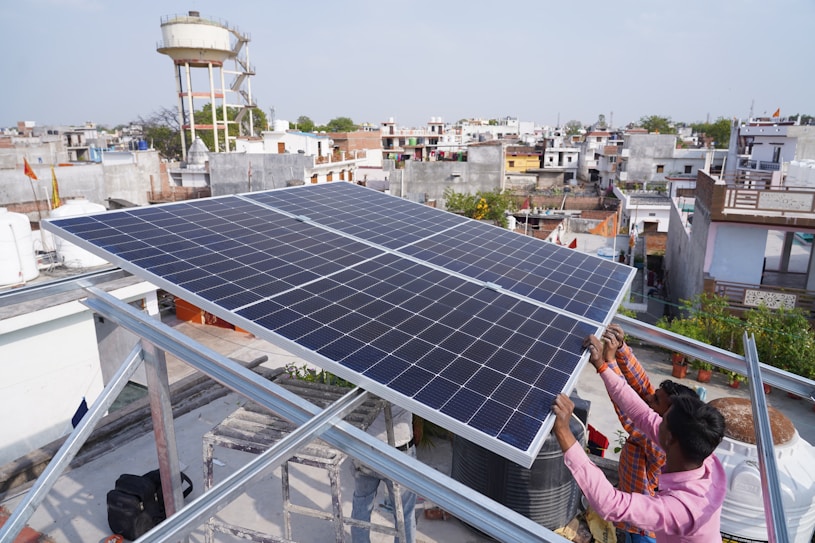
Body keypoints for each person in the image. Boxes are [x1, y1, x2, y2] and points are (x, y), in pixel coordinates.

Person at [551, 333, 727, 542]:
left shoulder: (681, 509)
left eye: (662, 420)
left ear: (669, 439)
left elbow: (610, 504)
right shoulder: (703, 456)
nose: (654, 419)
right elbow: (641, 413)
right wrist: (602, 366)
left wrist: (564, 432)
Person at [600, 325, 697, 543]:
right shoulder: (669, 423)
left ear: (668, 414)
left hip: (644, 528)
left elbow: (629, 415)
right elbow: (643, 386)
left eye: (656, 400)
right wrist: (622, 349)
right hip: (635, 516)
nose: (649, 399)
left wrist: (607, 363)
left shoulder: (664, 444)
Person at [351, 402, 416, 543]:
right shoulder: (413, 380)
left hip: (365, 449)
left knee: (361, 504)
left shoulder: (368, 378)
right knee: (405, 512)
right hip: (399, 452)